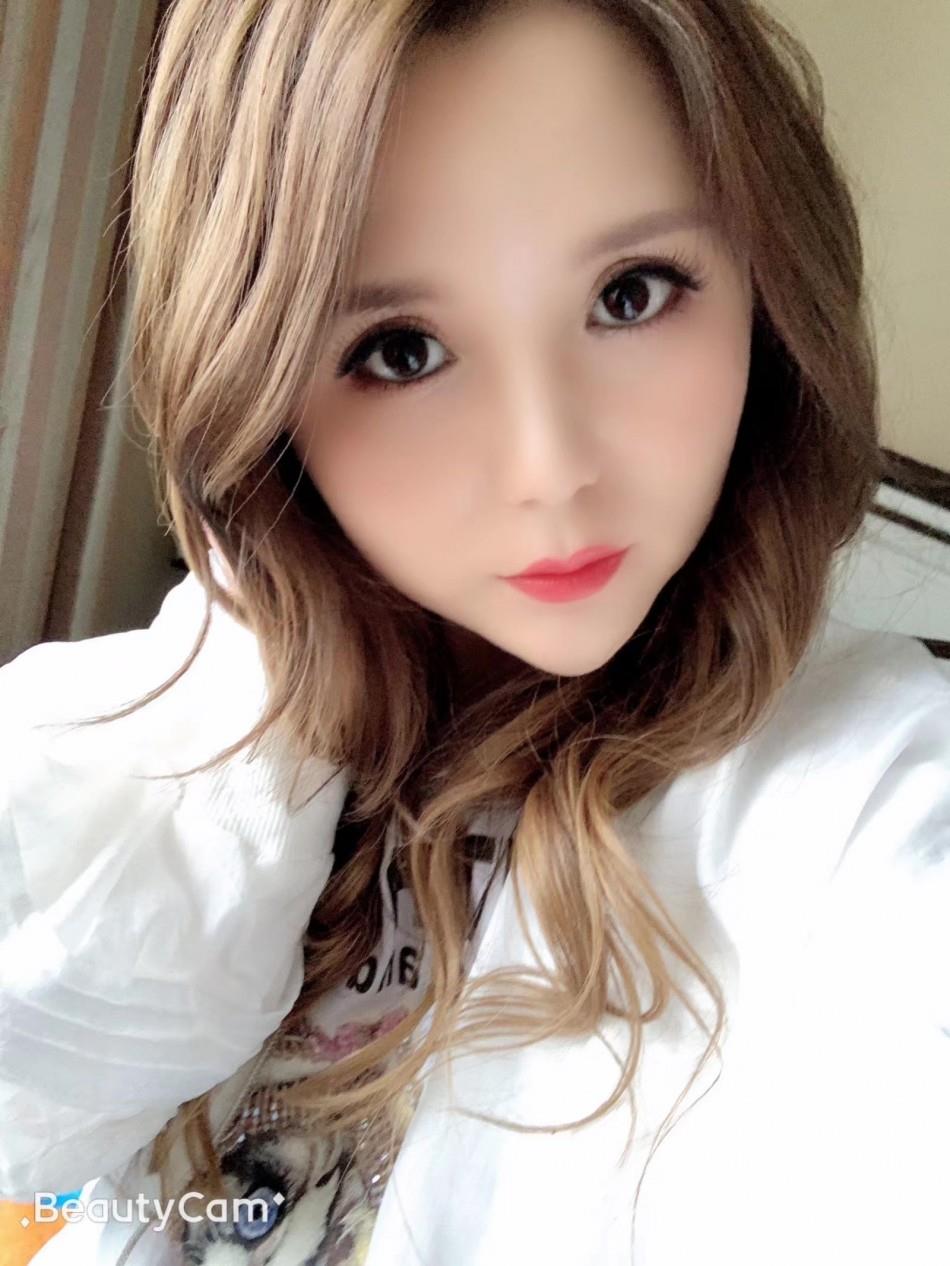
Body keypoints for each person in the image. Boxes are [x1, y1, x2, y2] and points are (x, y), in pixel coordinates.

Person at [1, 0, 947, 1262]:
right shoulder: (180, 742)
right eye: (400, 351)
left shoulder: (860, 811)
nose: (547, 469)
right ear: (260, 395)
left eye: (630, 293)